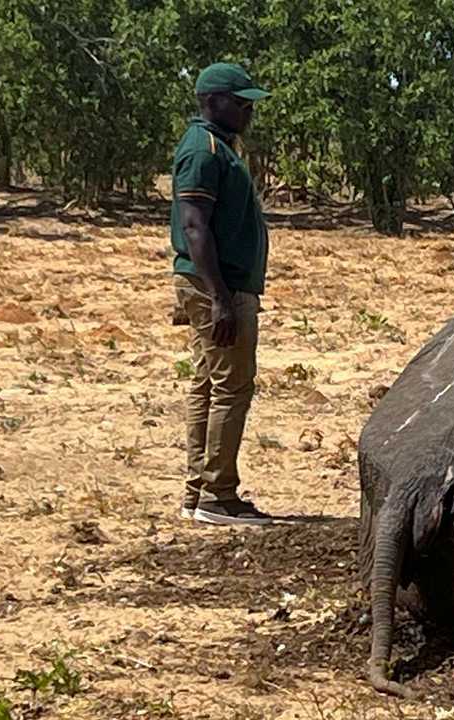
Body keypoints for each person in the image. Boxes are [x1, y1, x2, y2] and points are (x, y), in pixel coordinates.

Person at [170, 62, 274, 525]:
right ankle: (218, 496)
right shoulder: (204, 151)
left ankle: (200, 492)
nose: (248, 110)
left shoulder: (219, 147)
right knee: (231, 386)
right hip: (219, 286)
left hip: (219, 284)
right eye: (240, 101)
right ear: (212, 101)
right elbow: (194, 227)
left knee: (208, 384)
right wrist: (219, 297)